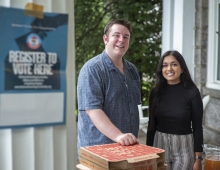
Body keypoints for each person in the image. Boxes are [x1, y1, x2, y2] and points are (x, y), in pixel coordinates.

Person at [77, 19, 141, 152]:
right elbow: (92, 110)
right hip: (98, 149)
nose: (121, 40)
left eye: (126, 37)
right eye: (116, 35)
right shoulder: (92, 69)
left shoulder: (132, 70)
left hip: (127, 147)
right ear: (105, 39)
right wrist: (118, 136)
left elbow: (133, 108)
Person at [146, 50, 203, 170]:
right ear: (161, 70)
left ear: (182, 69)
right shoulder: (155, 92)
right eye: (165, 65)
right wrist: (148, 152)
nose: (169, 69)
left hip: (184, 147)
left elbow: (198, 127)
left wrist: (198, 158)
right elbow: (151, 125)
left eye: (174, 64)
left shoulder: (192, 92)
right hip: (159, 145)